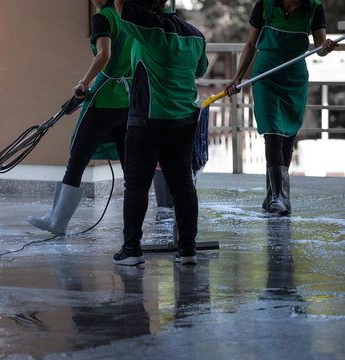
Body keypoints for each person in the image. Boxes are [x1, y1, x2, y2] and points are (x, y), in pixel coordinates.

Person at [112, 0, 208, 266]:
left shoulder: (148, 27)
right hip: (184, 123)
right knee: (183, 186)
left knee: (136, 186)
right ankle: (188, 250)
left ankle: (131, 249)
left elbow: (119, 5)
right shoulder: (196, 35)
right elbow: (200, 70)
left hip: (147, 122)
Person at [27, 0, 133, 236]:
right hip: (127, 101)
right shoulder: (130, 17)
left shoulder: (103, 18)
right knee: (131, 170)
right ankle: (132, 232)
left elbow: (104, 54)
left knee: (77, 160)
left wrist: (84, 83)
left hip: (104, 102)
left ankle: (58, 222)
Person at [224, 0, 337, 216]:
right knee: (273, 132)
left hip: (294, 77)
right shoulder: (265, 6)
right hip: (266, 74)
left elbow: (320, 48)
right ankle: (279, 197)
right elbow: (250, 44)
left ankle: (275, 196)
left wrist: (326, 48)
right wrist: (237, 79)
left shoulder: (313, 7)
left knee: (287, 137)